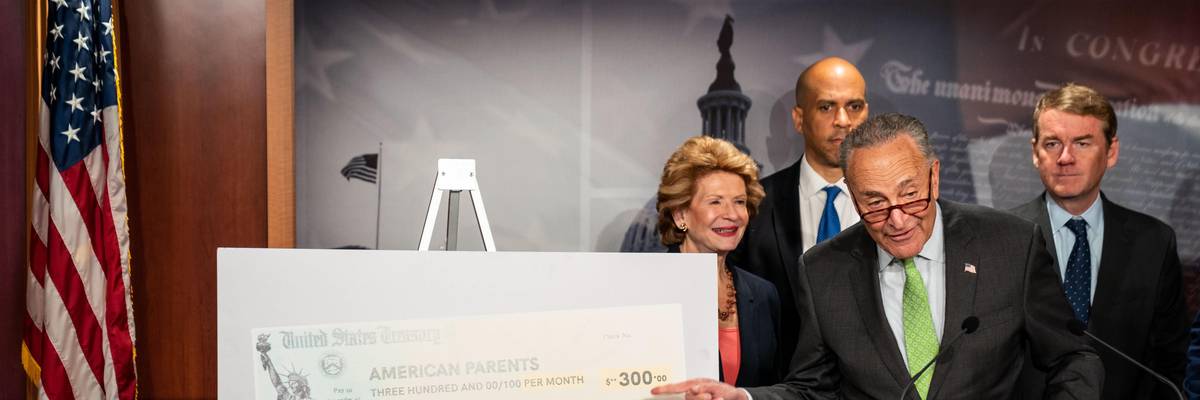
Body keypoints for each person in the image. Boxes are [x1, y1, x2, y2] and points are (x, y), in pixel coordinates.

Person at [653, 113, 1103, 399]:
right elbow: (814, 388)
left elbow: (1074, 358)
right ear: (850, 194)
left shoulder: (1009, 244)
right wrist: (747, 399)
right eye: (874, 202)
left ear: (935, 176)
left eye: (911, 196)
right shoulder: (823, 270)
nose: (897, 219)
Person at [1011, 83, 1188, 399]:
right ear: (1034, 153)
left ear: (1111, 151)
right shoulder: (1002, 236)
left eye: (1082, 143)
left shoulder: (1155, 243)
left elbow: (1169, 361)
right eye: (1052, 143)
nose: (1065, 157)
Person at [730, 57, 868, 363]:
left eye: (854, 106)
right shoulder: (752, 205)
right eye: (826, 107)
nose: (843, 120)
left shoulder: (896, 208)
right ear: (798, 118)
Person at [657, 136, 783, 386]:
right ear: (681, 214)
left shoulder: (763, 294)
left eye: (739, 202)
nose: (732, 215)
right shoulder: (650, 289)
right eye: (715, 202)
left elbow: (772, 387)